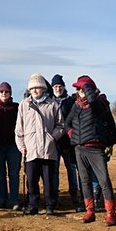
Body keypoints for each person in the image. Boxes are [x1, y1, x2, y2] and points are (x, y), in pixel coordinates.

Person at [66, 75, 116, 225]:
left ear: (90, 88)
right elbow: (67, 123)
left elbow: (96, 105)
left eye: (82, 88)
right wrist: (73, 135)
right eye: (77, 88)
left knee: (104, 180)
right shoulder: (76, 104)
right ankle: (90, 212)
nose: (79, 91)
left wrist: (88, 89)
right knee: (84, 180)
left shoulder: (99, 102)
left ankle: (111, 214)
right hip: (79, 148)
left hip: (96, 147)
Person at [15, 74, 64, 215]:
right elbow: (19, 129)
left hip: (48, 149)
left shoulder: (52, 104)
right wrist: (21, 146)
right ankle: (33, 205)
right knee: (31, 179)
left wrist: (52, 137)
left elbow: (61, 125)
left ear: (43, 88)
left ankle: (50, 205)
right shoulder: (24, 105)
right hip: (30, 149)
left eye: (38, 87)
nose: (35, 90)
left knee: (48, 180)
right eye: (33, 88)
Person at [49, 74, 82, 211]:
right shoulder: (49, 101)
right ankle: (55, 196)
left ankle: (74, 194)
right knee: (54, 170)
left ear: (64, 87)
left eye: (60, 86)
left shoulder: (69, 102)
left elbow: (73, 119)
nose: (58, 88)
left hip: (68, 141)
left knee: (71, 168)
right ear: (52, 88)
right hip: (53, 141)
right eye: (56, 86)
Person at [0, 82, 22, 210]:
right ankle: (3, 199)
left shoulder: (17, 107)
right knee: (0, 174)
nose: (4, 94)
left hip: (13, 147)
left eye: (6, 92)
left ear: (10, 93)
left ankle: (14, 200)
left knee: (14, 174)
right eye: (2, 92)